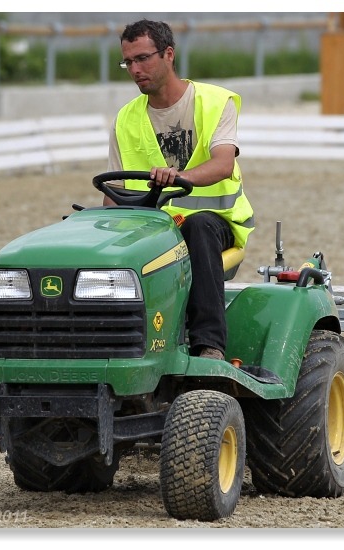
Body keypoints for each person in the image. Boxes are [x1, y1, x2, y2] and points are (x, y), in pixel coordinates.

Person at [105, 19, 254, 361]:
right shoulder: (125, 120)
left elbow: (222, 164)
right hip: (155, 227)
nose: (135, 69)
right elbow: (113, 193)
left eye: (143, 59)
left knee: (199, 226)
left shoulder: (216, 102)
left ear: (169, 54)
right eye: (128, 62)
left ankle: (209, 345)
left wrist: (178, 176)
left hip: (216, 223)